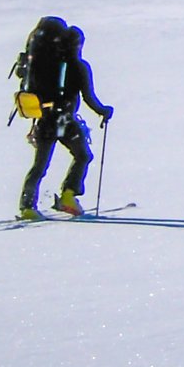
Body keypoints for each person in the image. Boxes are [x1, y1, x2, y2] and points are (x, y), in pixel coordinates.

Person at [19, 20, 114, 219]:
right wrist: (104, 111)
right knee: (83, 156)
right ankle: (68, 195)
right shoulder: (79, 66)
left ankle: (27, 207)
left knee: (40, 165)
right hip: (65, 121)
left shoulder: (44, 63)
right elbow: (89, 98)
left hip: (44, 119)